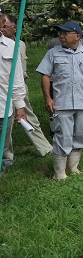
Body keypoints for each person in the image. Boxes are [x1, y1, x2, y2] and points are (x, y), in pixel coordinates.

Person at [36, 21, 83, 180]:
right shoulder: (53, 53)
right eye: (60, 33)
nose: (61, 36)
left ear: (77, 36)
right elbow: (45, 75)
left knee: (80, 134)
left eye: (66, 33)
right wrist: (48, 98)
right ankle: (59, 173)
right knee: (63, 136)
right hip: (62, 102)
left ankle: (73, 168)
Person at [1, 14, 52, 157]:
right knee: (6, 120)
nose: (3, 29)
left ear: (14, 28)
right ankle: (7, 155)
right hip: (3, 87)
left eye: (6, 26)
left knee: (26, 115)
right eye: (2, 26)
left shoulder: (19, 44)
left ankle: (44, 147)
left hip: (19, 86)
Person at [0, 12, 27, 178]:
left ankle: (3, 168)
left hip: (3, 105)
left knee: (2, 141)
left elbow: (16, 79)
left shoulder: (11, 46)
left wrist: (20, 106)